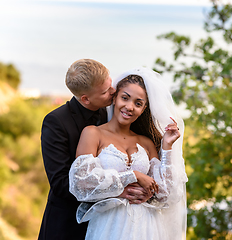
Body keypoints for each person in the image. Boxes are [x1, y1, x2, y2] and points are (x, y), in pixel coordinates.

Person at [69, 67, 188, 240]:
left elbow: (166, 194)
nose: (129, 107)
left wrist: (167, 147)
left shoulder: (146, 142)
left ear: (144, 108)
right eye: (125, 98)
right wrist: (133, 175)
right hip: (109, 226)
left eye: (138, 103)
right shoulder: (93, 133)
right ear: (115, 97)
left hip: (148, 228)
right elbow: (81, 184)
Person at [38, 59, 152, 240]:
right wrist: (116, 191)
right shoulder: (56, 122)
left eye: (110, 83)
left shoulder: (108, 110)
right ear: (85, 98)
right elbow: (60, 183)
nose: (113, 91)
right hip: (68, 223)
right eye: (107, 91)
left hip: (112, 224)